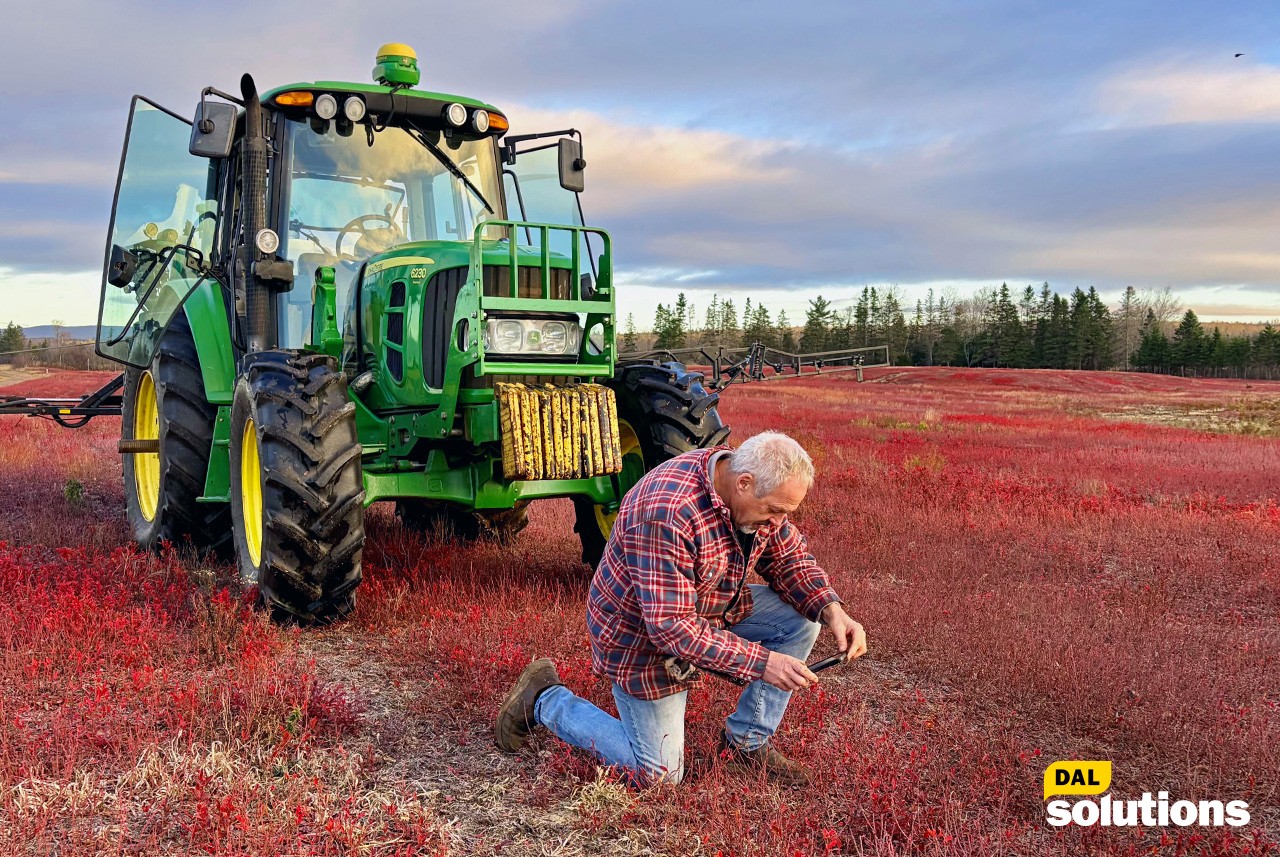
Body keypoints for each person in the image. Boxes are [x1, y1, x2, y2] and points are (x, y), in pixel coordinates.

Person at [494, 431, 868, 786]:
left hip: (708, 609)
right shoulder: (668, 511)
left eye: (785, 513)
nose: (778, 522)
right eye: (774, 511)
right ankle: (547, 698)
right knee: (658, 775)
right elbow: (671, 627)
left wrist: (832, 609)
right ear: (744, 483)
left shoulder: (752, 489)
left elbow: (789, 558)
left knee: (803, 620)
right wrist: (764, 663)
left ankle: (746, 742)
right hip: (640, 639)